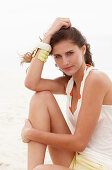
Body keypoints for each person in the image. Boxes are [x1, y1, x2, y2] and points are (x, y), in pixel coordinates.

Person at [20, 17, 112, 170]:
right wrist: (48, 36)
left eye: (70, 53)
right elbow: (32, 83)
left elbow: (79, 143)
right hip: (77, 159)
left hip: (99, 165)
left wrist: (31, 133)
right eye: (58, 56)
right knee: (41, 97)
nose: (65, 62)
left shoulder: (96, 79)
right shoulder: (68, 84)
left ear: (83, 50)